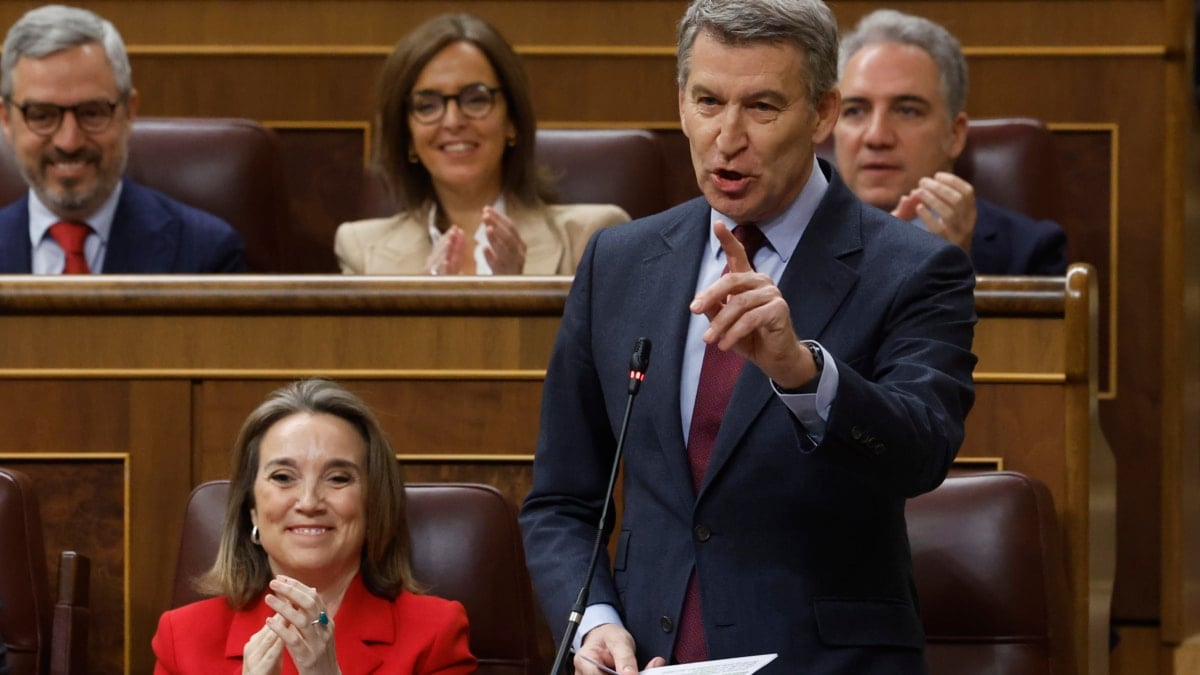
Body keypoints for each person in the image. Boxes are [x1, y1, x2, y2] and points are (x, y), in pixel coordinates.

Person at [519, 0, 977, 673]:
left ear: (822, 113)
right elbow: (561, 501)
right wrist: (594, 621)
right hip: (649, 657)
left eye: (761, 107)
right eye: (708, 101)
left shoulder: (913, 266)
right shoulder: (617, 262)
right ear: (680, 102)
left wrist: (801, 372)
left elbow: (922, 449)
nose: (727, 136)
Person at [152, 379, 476, 674]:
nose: (308, 502)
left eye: (338, 478)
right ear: (251, 510)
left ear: (373, 503)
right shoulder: (182, 638)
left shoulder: (435, 633)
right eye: (282, 477)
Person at [335, 13, 629, 276]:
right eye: (427, 105)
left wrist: (520, 296)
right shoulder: (363, 251)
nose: (452, 121)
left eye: (476, 99)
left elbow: (613, 339)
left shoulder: (593, 237)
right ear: (408, 137)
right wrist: (422, 308)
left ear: (512, 120)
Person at [0, 5, 244, 274]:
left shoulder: (207, 253)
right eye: (42, 116)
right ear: (7, 121)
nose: (69, 142)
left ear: (129, 113)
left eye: (92, 113)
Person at [834, 9, 1067, 275]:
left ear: (954, 135)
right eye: (855, 110)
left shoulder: (1031, 253)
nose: (877, 137)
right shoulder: (791, 236)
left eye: (907, 110)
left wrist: (952, 269)